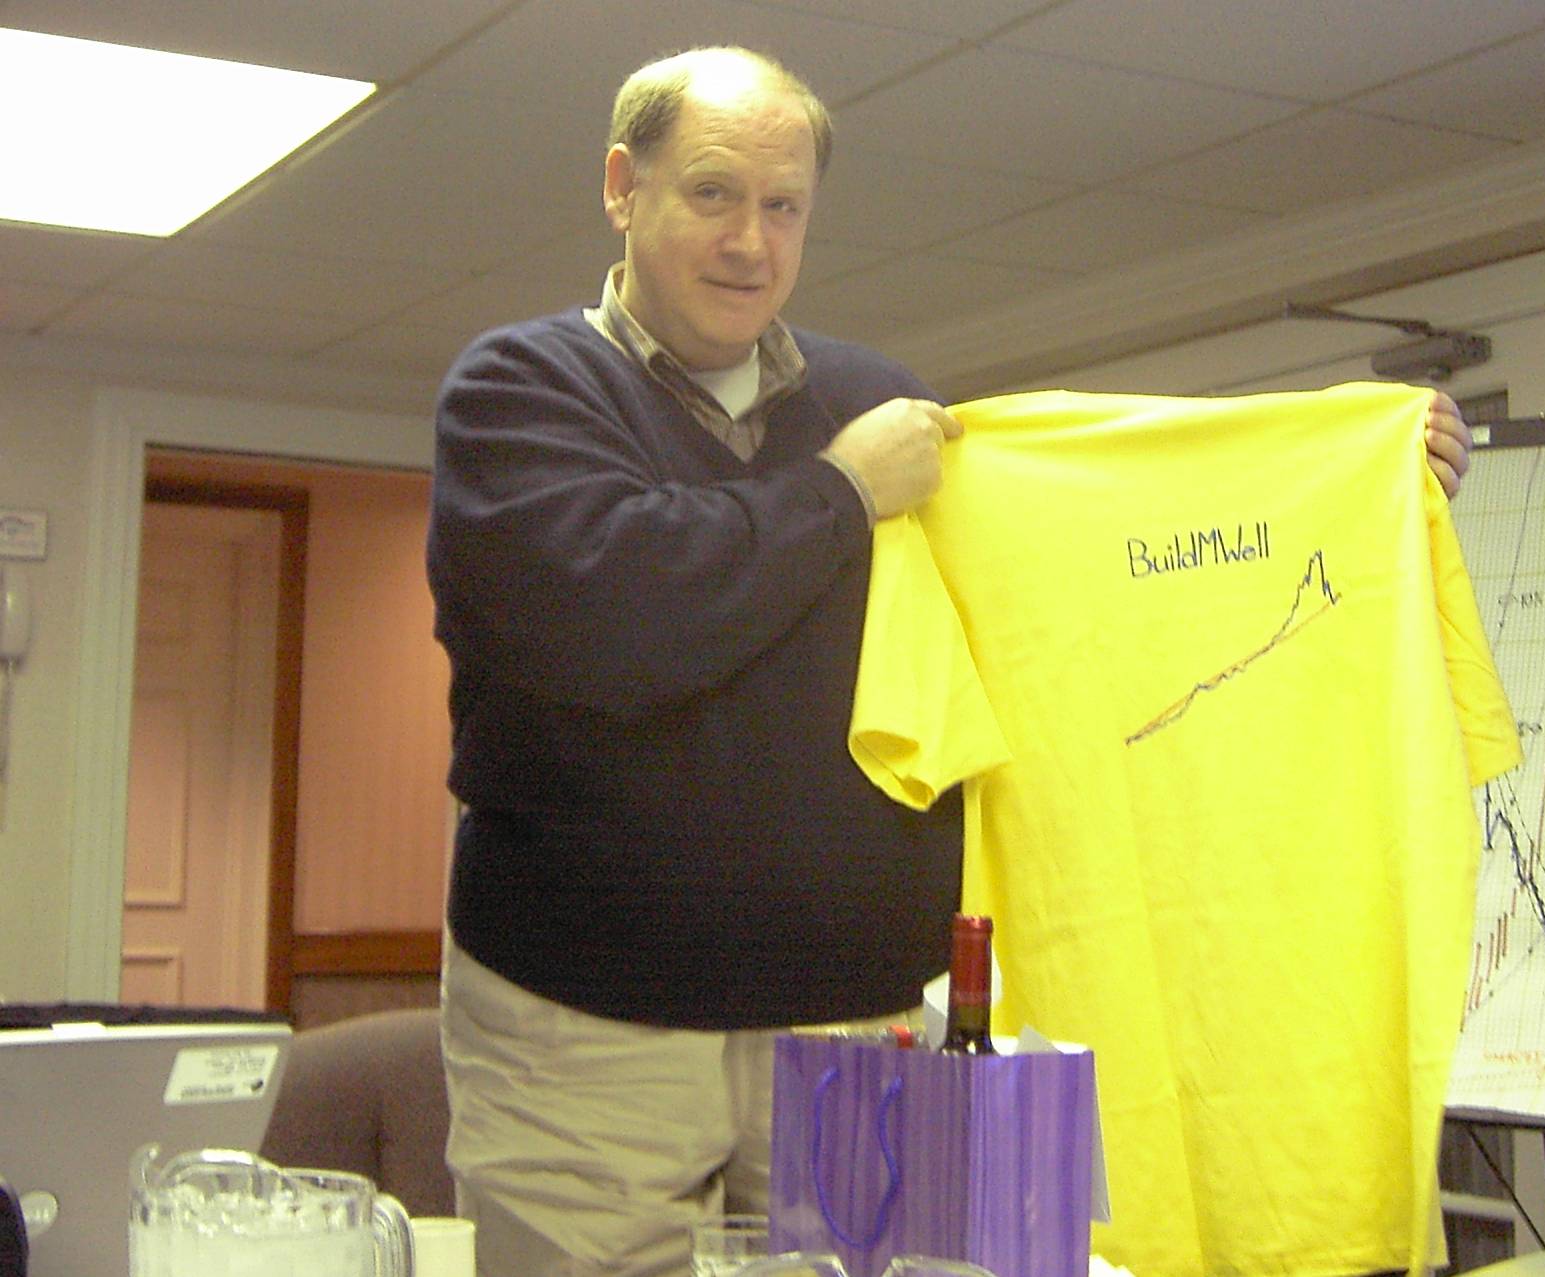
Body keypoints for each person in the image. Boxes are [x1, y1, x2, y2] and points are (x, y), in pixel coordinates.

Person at [426, 44, 1475, 1277]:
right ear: (622, 185)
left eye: (783, 206)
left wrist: (1352, 487)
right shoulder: (519, 391)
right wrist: (837, 493)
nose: (749, 241)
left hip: (857, 1023)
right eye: (712, 193)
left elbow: (1081, 579)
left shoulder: (879, 400)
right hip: (581, 1025)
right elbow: (609, 617)